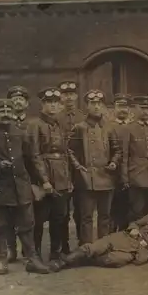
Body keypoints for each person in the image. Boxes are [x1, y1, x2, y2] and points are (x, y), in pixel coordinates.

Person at [0, 98, 49, 274]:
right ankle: (1, 259)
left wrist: (37, 183)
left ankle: (32, 259)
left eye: (8, 111)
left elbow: (31, 160)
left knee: (27, 224)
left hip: (21, 187)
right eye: (2, 112)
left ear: (13, 114)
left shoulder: (21, 133)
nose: (5, 115)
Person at [50, 201, 148, 271]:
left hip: (138, 251)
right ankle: (62, 262)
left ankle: (80, 261)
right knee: (95, 247)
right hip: (125, 238)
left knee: (113, 260)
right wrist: (134, 228)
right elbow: (135, 222)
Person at [68, 89, 122, 245]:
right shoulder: (80, 127)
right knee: (86, 216)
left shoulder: (110, 127)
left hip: (106, 176)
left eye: (99, 103)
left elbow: (117, 149)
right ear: (87, 106)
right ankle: (86, 247)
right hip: (87, 178)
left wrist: (113, 162)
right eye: (93, 103)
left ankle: (102, 246)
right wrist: (78, 167)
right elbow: (70, 150)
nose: (96, 107)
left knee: (105, 215)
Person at [28, 87, 73, 262]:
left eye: (56, 103)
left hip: (61, 177)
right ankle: (35, 255)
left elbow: (65, 153)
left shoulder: (59, 124)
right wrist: (44, 180)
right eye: (49, 103)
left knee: (59, 217)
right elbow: (34, 154)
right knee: (39, 219)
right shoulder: (35, 124)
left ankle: (56, 252)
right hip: (44, 177)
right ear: (42, 105)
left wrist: (68, 179)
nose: (53, 106)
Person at [57, 80, 86, 254]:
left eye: (71, 94)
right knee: (62, 210)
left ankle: (83, 243)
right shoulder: (56, 118)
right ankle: (63, 244)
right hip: (61, 169)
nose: (68, 98)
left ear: (76, 96)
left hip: (80, 168)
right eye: (65, 94)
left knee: (82, 209)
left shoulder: (83, 117)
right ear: (61, 97)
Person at [5, 85, 31, 263]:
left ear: (27, 103)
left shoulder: (32, 124)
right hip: (8, 176)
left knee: (27, 217)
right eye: (14, 100)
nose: (17, 102)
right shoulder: (5, 123)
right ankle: (11, 249)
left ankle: (28, 250)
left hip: (26, 175)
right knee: (9, 216)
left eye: (21, 99)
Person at [110, 93, 134, 233]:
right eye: (119, 106)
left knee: (129, 205)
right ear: (114, 108)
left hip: (132, 171)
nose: (123, 110)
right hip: (113, 172)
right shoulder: (109, 126)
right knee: (114, 206)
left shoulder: (134, 126)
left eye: (125, 107)